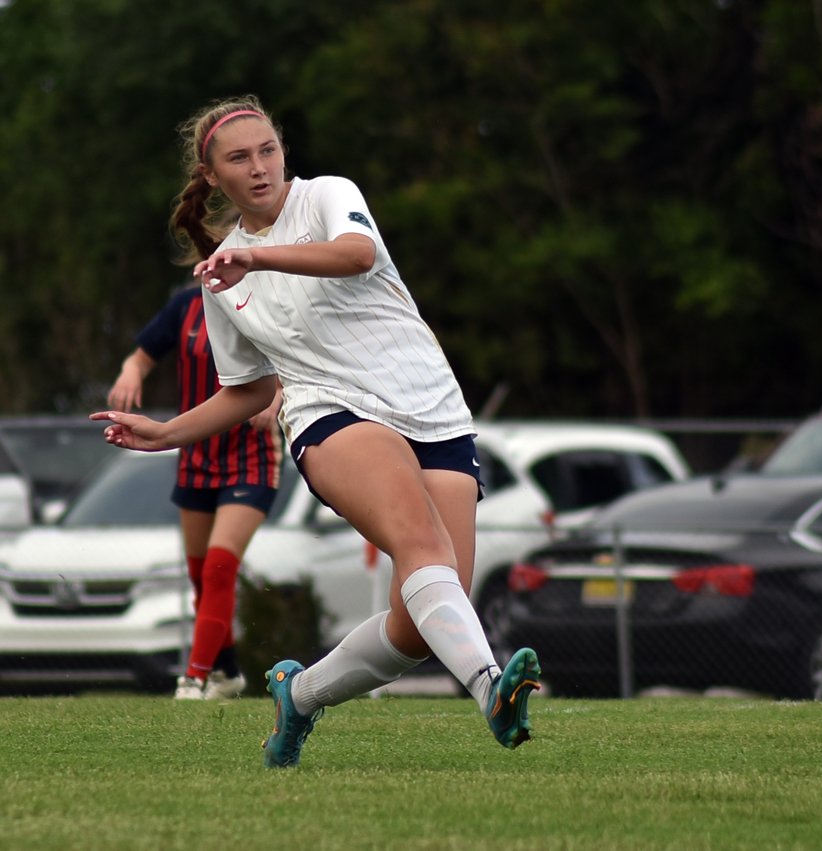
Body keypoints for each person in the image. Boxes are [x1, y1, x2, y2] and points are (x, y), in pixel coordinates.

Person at [93, 96, 541, 767]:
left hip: (435, 411)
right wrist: (165, 433)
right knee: (423, 546)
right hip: (327, 412)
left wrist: (262, 259)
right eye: (239, 158)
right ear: (212, 176)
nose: (259, 166)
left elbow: (357, 253)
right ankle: (489, 688)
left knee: (416, 628)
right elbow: (248, 390)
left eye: (267, 149)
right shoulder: (224, 274)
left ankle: (298, 695)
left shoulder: (329, 195)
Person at [107, 286, 284, 701]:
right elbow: (142, 354)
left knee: (220, 568)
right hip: (196, 458)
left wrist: (275, 401)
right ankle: (227, 670)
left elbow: (296, 366)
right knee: (201, 578)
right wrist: (131, 371)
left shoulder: (268, 298)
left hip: (251, 460)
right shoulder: (185, 306)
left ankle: (193, 678)